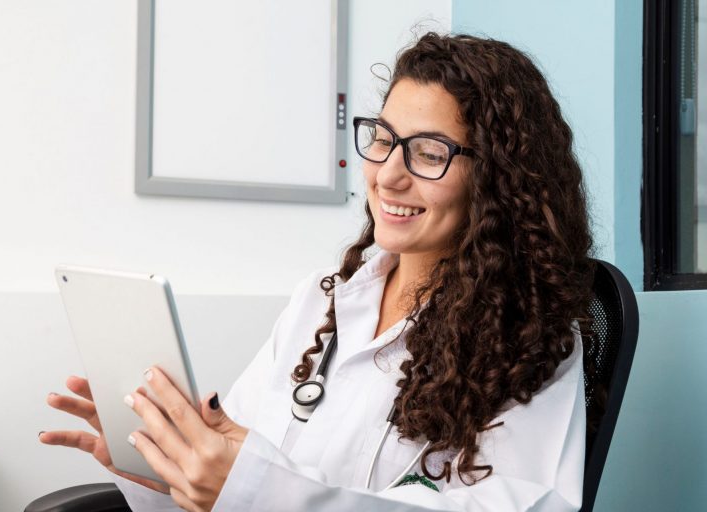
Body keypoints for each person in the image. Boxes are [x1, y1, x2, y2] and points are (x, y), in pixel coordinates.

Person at [40, 32, 595, 511]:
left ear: (498, 179)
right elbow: (230, 480)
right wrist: (163, 467)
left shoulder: (530, 338)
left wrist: (258, 492)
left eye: (429, 153)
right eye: (383, 140)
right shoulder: (320, 300)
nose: (388, 175)